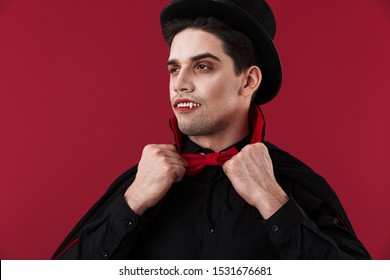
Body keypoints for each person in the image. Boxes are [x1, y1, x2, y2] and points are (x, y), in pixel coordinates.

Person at [52, 0, 370, 259]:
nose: (180, 84)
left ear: (248, 81)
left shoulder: (295, 186)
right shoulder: (138, 184)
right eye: (174, 68)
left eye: (202, 66)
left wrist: (273, 203)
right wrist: (132, 201)